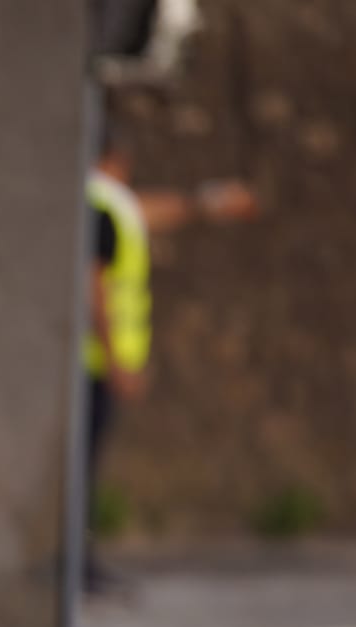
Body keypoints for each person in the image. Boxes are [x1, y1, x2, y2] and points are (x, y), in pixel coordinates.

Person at [83, 131, 256, 594]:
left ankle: (81, 561)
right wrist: (117, 358)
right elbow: (92, 289)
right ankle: (78, 565)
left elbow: (145, 213)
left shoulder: (100, 200)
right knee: (81, 466)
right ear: (117, 157)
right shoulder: (98, 202)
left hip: (92, 361)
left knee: (85, 464)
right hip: (93, 361)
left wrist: (208, 203)